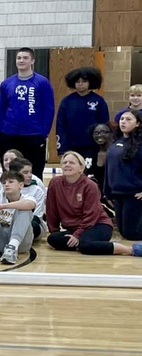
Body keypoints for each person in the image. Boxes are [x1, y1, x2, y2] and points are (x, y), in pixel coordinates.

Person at [47, 151, 140, 256]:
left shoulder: (90, 185)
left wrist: (77, 235)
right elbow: (51, 210)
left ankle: (131, 249)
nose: (67, 165)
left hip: (97, 224)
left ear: (81, 168)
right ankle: (92, 245)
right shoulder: (55, 183)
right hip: (74, 228)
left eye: (72, 163)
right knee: (52, 239)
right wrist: (55, 231)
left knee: (85, 245)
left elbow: (91, 214)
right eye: (65, 163)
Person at [0, 47, 55, 178]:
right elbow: (0, 109)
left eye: (25, 58)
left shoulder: (42, 82)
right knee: (10, 174)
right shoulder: (7, 83)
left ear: (32, 60)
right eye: (19, 58)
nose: (21, 60)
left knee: (34, 173)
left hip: (33, 135)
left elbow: (49, 109)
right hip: (8, 134)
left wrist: (43, 133)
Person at [56, 66, 109, 163]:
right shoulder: (67, 101)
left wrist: (103, 147)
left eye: (84, 81)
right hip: (71, 146)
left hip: (93, 146)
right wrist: (61, 148)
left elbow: (104, 125)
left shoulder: (99, 101)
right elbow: (61, 126)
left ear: (90, 82)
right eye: (77, 82)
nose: (80, 84)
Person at [104, 109, 142, 241]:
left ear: (137, 124)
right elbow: (109, 168)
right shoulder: (115, 143)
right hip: (117, 193)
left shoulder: (140, 144)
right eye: (122, 119)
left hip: (134, 194)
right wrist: (107, 191)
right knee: (123, 232)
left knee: (132, 233)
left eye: (128, 119)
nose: (123, 122)